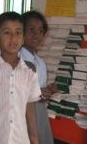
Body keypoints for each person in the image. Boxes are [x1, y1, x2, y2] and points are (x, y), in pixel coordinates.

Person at [0, 12, 42, 144]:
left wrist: (34, 138)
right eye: (7, 32)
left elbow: (30, 106)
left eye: (18, 33)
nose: (13, 38)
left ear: (23, 38)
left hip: (20, 139)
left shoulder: (30, 70)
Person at [20, 10, 57, 144]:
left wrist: (47, 91)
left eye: (41, 31)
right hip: (20, 114)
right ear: (21, 32)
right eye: (31, 30)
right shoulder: (16, 60)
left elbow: (38, 93)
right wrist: (37, 93)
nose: (37, 35)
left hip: (39, 112)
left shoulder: (41, 63)